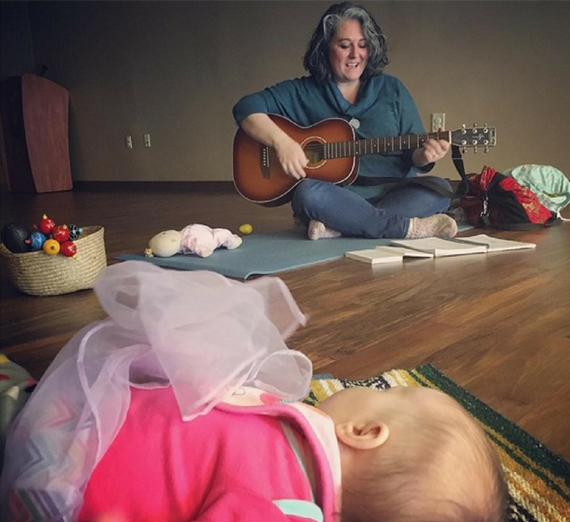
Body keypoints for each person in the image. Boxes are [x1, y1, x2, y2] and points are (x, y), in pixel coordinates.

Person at [2, 262, 507, 522]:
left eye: (394, 395)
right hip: (82, 420)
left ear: (364, 431)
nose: (370, 387)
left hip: (62, 472)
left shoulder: (282, 509)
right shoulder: (296, 443)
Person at [233, 2, 459, 241]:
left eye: (363, 45)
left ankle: (342, 226)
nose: (355, 55)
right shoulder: (302, 91)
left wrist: (424, 156)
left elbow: (415, 154)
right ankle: (405, 229)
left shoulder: (392, 89)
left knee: (440, 189)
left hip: (393, 192)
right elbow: (246, 107)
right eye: (344, 45)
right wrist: (282, 143)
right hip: (334, 196)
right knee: (307, 193)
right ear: (325, 48)